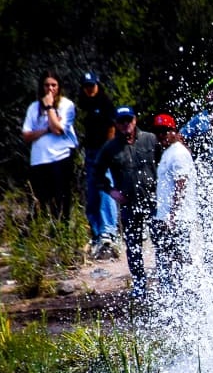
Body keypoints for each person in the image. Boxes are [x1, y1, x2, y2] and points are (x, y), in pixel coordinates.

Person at [95, 106, 159, 298]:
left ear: (135, 120)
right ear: (116, 123)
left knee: (160, 241)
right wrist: (112, 192)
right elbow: (96, 175)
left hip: (154, 200)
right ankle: (139, 284)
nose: (126, 124)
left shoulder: (150, 139)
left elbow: (165, 162)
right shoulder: (109, 148)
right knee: (133, 245)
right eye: (121, 121)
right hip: (129, 203)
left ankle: (165, 280)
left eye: (128, 120)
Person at [150, 114, 196, 297]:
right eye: (158, 132)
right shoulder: (168, 152)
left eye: (165, 132)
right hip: (168, 217)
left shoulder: (178, 153)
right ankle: (172, 296)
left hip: (178, 219)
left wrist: (172, 214)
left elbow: (181, 184)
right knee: (166, 259)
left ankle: (184, 296)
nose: (161, 136)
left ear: (173, 132)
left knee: (178, 259)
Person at [22, 70, 78, 219]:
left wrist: (49, 108)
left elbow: (58, 129)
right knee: (40, 201)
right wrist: (46, 129)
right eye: (47, 85)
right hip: (39, 159)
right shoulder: (33, 107)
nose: (50, 89)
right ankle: (42, 235)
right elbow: (26, 135)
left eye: (54, 85)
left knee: (61, 200)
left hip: (61, 157)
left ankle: (62, 233)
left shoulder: (67, 105)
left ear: (59, 87)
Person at [76, 71, 119, 258]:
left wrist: (108, 151)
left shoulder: (105, 103)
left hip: (103, 151)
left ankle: (108, 230)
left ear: (97, 85)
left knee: (105, 189)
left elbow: (112, 127)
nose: (89, 90)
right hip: (91, 152)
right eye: (86, 87)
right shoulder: (85, 104)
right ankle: (95, 231)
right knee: (92, 190)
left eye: (91, 86)